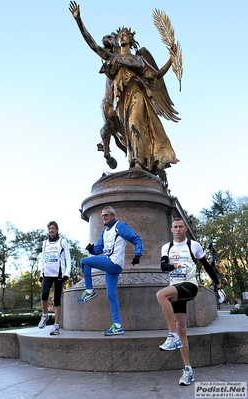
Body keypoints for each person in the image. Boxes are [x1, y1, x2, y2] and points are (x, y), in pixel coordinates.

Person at [69, 2, 179, 176]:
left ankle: (137, 163)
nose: (122, 37)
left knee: (135, 123)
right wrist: (78, 20)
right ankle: (134, 161)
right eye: (120, 36)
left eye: (125, 35)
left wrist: (171, 60)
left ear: (131, 39)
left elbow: (156, 75)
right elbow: (93, 46)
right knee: (128, 129)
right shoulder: (113, 58)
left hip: (136, 93)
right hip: (121, 100)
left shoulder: (138, 59)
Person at [156, 217, 221, 386]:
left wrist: (217, 282)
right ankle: (188, 370)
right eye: (175, 227)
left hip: (190, 286)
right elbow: (163, 267)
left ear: (185, 229)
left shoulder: (194, 246)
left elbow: (206, 265)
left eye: (180, 226)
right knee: (181, 328)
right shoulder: (166, 247)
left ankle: (172, 336)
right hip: (175, 288)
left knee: (161, 295)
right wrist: (175, 267)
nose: (178, 229)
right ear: (171, 230)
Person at [77, 205, 143, 336]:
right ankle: (117, 326)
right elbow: (98, 250)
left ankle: (89, 291)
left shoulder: (120, 226)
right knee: (111, 296)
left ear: (113, 215)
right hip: (110, 266)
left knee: (84, 262)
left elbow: (136, 238)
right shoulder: (105, 232)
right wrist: (91, 249)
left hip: (114, 262)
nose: (103, 217)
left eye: (106, 215)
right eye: (102, 215)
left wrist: (138, 254)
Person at [38, 221, 71, 335]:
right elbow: (43, 259)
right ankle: (45, 315)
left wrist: (67, 272)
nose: (51, 230)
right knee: (44, 294)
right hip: (47, 273)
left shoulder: (63, 242)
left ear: (57, 229)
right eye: (49, 228)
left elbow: (68, 258)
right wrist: (41, 273)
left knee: (57, 299)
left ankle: (56, 325)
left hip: (59, 274)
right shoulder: (45, 243)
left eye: (53, 228)